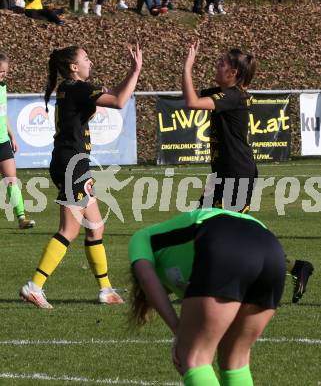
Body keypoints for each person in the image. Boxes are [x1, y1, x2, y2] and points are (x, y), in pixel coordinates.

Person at [182, 41, 313, 304]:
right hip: (223, 175)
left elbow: (193, 102)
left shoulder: (233, 96)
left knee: (223, 232)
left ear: (234, 74)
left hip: (237, 174)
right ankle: (294, 267)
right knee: (202, 226)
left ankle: (223, 285)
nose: (217, 65)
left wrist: (187, 66)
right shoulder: (225, 93)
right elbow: (192, 98)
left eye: (222, 63)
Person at [20, 43, 142, 309]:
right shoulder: (77, 88)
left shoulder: (68, 89)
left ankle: (105, 289)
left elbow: (93, 108)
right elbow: (119, 101)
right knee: (69, 230)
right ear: (74, 67)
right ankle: (34, 286)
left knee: (96, 226)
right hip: (72, 165)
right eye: (86, 59)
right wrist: (135, 71)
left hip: (73, 163)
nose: (91, 62)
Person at [128, 207, 287, 385]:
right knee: (236, 361)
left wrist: (178, 330)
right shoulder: (183, 257)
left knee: (194, 358)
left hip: (223, 238)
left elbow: (145, 278)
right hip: (271, 248)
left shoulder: (141, 237)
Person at [0, 53, 35, 229]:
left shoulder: (3, 87)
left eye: (4, 72)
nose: (2, 75)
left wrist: (12, 135)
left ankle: (21, 218)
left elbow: (3, 115)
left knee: (11, 180)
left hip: (2, 141)